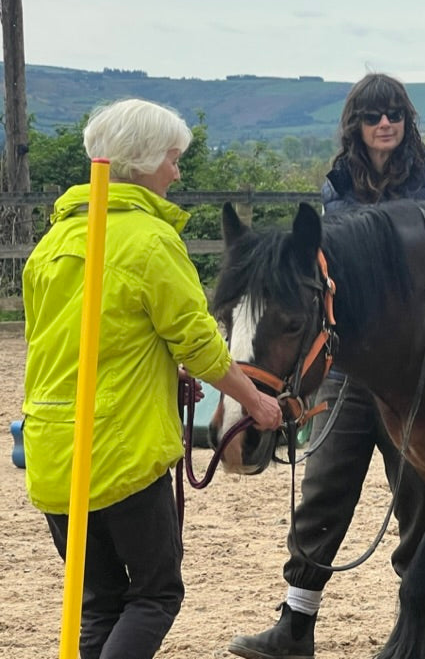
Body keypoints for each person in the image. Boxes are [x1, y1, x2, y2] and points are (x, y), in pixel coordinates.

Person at [228, 72, 425, 659]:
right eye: (373, 115)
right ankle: (295, 624)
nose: (385, 124)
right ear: (356, 124)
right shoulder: (337, 184)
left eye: (394, 114)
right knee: (325, 485)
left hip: (419, 368)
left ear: (407, 121)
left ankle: (417, 633)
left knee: (418, 496)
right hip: (345, 363)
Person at [21, 98, 283, 659]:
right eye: (172, 158)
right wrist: (256, 403)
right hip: (122, 450)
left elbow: (76, 344)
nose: (177, 172)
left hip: (53, 449)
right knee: (155, 594)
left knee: (99, 602)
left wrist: (166, 373)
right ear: (141, 160)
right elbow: (199, 343)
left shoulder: (51, 244)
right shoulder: (151, 241)